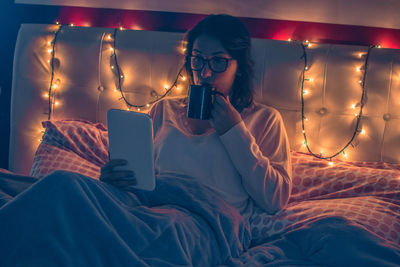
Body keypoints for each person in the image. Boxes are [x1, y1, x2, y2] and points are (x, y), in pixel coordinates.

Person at [100, 14, 292, 215]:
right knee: (66, 184)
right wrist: (115, 177)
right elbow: (141, 177)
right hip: (151, 209)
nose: (205, 73)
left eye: (218, 61)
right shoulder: (164, 110)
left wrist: (234, 131)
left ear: (240, 67)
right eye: (198, 59)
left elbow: (275, 200)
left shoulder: (265, 119)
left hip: (207, 220)